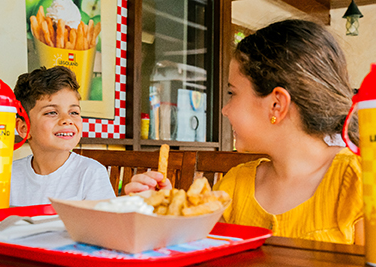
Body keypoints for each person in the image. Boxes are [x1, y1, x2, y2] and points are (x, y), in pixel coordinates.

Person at [124, 19, 363, 245]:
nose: (225, 110)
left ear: (276, 105)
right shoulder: (234, 185)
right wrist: (161, 213)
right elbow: (198, 254)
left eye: (232, 93)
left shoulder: (358, 181)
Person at [10, 66, 115, 206]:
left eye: (74, 112)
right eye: (51, 112)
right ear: (23, 128)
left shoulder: (91, 173)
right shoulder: (8, 175)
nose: (67, 119)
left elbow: (107, 225)